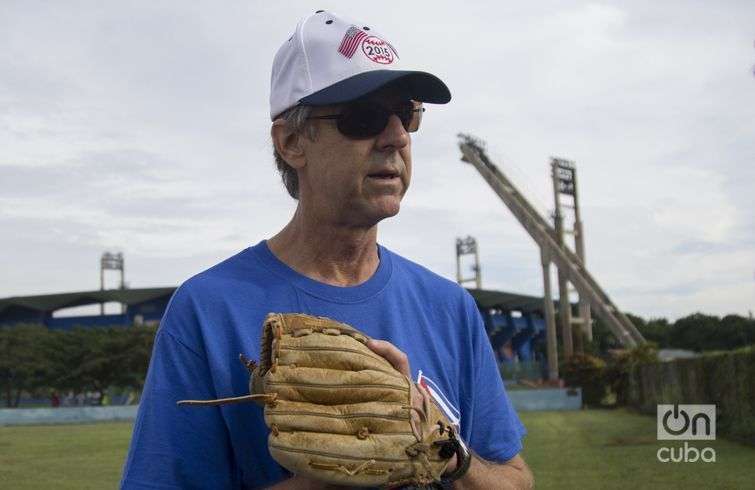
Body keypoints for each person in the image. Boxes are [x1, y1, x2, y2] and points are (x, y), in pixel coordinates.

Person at [121, 10, 532, 489]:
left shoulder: (450, 307)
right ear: (292, 141)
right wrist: (340, 473)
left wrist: (443, 447)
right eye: (365, 117)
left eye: (407, 114)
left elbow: (515, 480)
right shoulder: (208, 309)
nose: (397, 136)